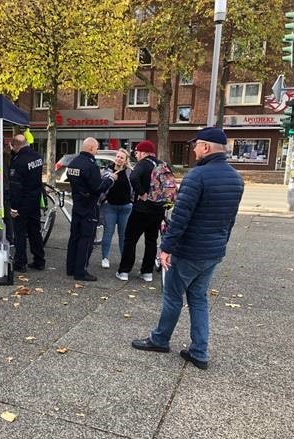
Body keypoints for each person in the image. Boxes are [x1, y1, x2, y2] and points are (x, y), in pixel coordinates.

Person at [131, 127, 244, 370]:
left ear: (205, 147)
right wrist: (221, 245)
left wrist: (166, 248)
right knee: (199, 299)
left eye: (196, 145)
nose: (193, 149)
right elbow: (230, 219)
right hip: (212, 251)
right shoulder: (236, 177)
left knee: (172, 297)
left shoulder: (197, 176)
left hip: (189, 250)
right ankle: (199, 351)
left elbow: (181, 216)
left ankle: (160, 339)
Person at [66, 138, 116, 281]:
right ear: (91, 148)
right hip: (89, 206)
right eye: (97, 148)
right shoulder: (90, 165)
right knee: (86, 239)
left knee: (74, 237)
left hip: (77, 204)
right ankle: (80, 271)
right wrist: (111, 179)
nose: (97, 151)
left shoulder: (73, 163)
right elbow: (97, 188)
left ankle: (71, 267)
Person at [116, 140, 165, 282]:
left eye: (137, 152)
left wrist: (142, 192)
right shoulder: (162, 164)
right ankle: (147, 272)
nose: (136, 155)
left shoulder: (143, 164)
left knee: (130, 239)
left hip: (142, 209)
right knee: (151, 240)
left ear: (143, 152)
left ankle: (124, 271)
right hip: (158, 209)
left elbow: (133, 177)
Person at [9, 134, 46, 273]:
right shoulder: (38, 156)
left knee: (20, 233)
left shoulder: (18, 161)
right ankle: (39, 260)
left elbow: (16, 186)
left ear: (16, 145)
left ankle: (20, 263)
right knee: (35, 232)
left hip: (22, 202)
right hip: (35, 199)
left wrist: (14, 207)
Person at [100, 149, 133, 269]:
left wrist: (131, 201)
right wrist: (104, 199)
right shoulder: (107, 170)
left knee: (123, 235)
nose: (119, 159)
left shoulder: (129, 172)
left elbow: (133, 187)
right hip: (110, 207)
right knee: (108, 232)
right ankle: (105, 258)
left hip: (126, 208)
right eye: (118, 156)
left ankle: (123, 260)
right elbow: (101, 186)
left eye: (121, 157)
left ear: (125, 160)